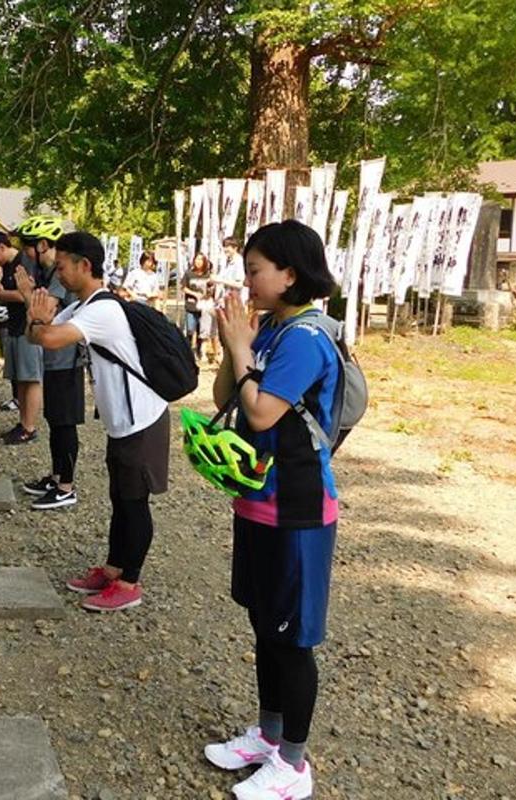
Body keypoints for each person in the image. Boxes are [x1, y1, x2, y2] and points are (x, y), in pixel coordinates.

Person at [204, 220, 340, 800]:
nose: (247, 280)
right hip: (259, 498)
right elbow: (223, 397)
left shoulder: (306, 340)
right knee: (266, 624)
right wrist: (232, 347)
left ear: (290, 274)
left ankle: (294, 764)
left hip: (298, 508)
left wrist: (240, 348)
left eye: (256, 269)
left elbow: (260, 414)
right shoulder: (272, 332)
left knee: (293, 638)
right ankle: (268, 734)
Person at [26, 231, 170, 612]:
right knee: (119, 498)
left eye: (62, 266)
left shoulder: (102, 309)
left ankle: (130, 581)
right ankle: (112, 569)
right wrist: (36, 319)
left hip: (142, 419)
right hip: (121, 421)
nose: (59, 274)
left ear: (84, 265)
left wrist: (39, 322)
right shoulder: (83, 304)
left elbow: (50, 337)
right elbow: (39, 334)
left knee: (134, 503)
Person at [14, 215, 84, 510]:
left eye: (28, 247)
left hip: (66, 359)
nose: (25, 254)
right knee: (54, 421)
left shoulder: (57, 275)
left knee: (64, 423)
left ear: (43, 245)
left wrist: (26, 292)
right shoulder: (46, 272)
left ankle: (66, 486)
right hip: (53, 358)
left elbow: (43, 312)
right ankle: (56, 477)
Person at [0, 230, 43, 444]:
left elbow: (27, 296)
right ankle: (23, 422)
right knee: (19, 378)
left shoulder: (25, 262)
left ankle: (30, 427)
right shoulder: (7, 265)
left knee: (30, 378)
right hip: (13, 326)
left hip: (28, 327)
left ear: (2, 248)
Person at [181, 253, 213, 360]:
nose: (198, 262)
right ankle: (188, 351)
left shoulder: (208, 275)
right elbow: (183, 287)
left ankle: (200, 351)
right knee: (190, 329)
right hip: (191, 305)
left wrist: (208, 294)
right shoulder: (189, 273)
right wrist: (194, 294)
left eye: (201, 260)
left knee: (201, 330)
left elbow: (211, 289)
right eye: (196, 259)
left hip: (203, 307)